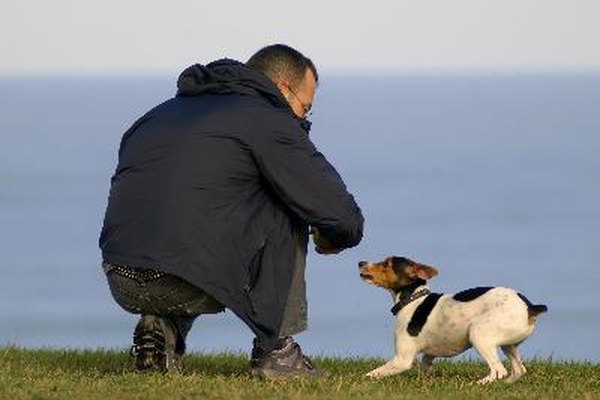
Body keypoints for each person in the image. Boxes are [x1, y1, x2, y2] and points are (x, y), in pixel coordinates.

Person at [99, 44, 364, 378]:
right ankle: (276, 353)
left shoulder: (155, 116)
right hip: (183, 278)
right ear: (283, 88)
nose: (302, 119)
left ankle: (160, 330)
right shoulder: (268, 119)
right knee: (287, 200)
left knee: (194, 218)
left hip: (121, 276)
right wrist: (333, 234)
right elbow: (339, 214)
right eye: (304, 108)